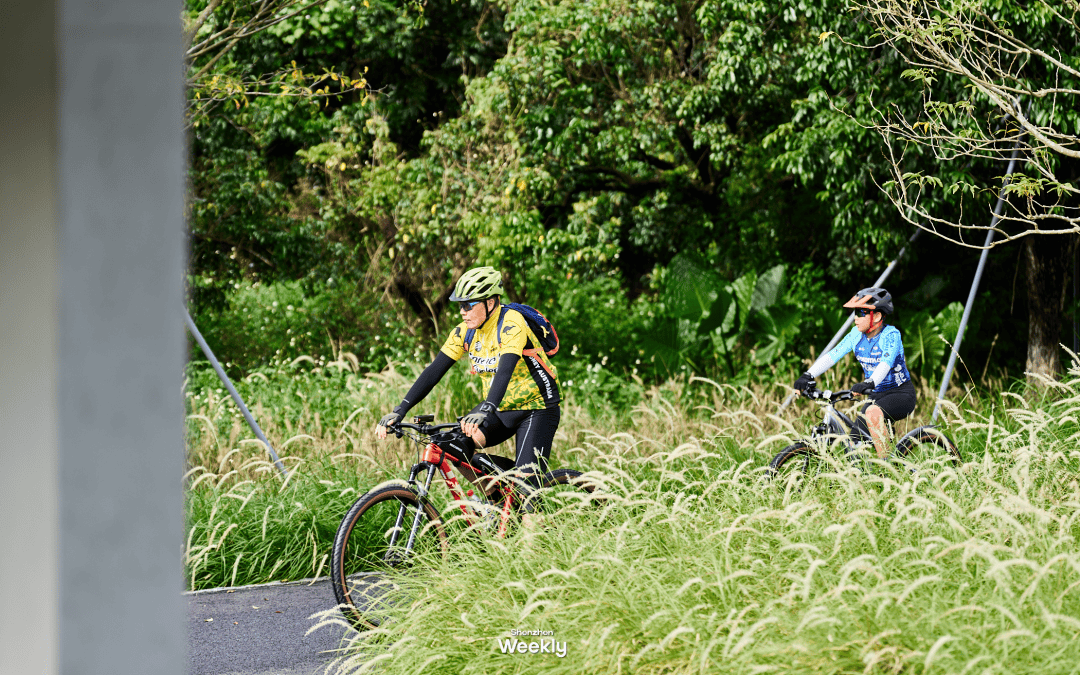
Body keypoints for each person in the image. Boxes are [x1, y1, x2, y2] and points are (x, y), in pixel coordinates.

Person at [375, 266, 561, 486]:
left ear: (490, 303)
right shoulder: (466, 331)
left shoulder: (511, 323)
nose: (462, 311)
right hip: (499, 407)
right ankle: (495, 497)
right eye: (460, 305)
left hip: (537, 407)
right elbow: (434, 371)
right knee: (455, 447)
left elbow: (505, 370)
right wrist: (400, 409)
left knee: (527, 490)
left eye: (468, 305)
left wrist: (486, 408)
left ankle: (524, 485)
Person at [792, 287, 915, 459]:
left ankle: (888, 468)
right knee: (854, 447)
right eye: (854, 313)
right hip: (875, 395)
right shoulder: (856, 335)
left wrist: (869, 382)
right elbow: (833, 355)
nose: (855, 318)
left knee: (872, 413)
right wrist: (808, 375)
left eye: (860, 313)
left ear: (877, 316)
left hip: (901, 394)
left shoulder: (891, 335)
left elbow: (885, 364)